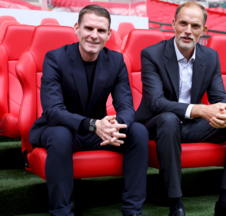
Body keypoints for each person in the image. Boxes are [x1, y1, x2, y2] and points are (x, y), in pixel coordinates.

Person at [29, 5, 148, 216]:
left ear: (109, 34)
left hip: (98, 131)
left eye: (101, 30)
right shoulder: (55, 58)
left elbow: (127, 107)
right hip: (60, 128)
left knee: (138, 131)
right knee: (61, 135)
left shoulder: (116, 61)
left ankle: (133, 211)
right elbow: (53, 111)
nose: (94, 35)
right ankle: (61, 212)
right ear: (77, 29)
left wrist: (115, 125)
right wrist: (94, 125)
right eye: (89, 28)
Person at [136, 2, 226, 216]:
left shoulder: (210, 57)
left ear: (204, 31)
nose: (188, 31)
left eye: (195, 26)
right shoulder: (152, 54)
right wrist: (201, 110)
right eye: (183, 23)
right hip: (157, 124)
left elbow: (220, 97)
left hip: (190, 126)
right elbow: (156, 103)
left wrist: (225, 113)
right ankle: (176, 204)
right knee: (169, 119)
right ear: (173, 24)